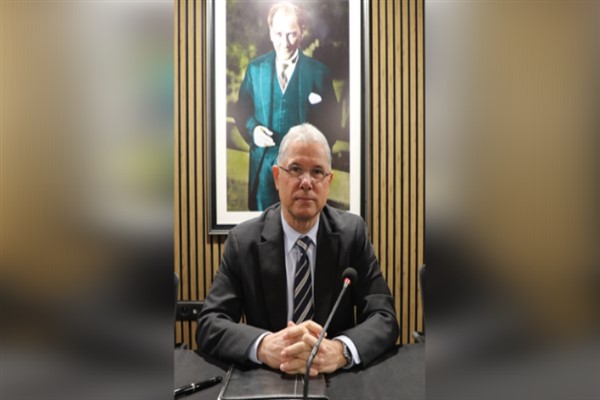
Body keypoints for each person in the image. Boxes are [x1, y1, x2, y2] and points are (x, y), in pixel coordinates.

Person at [196, 123, 398, 376]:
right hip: (267, 378)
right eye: (295, 169)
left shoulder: (352, 234)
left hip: (335, 380)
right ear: (276, 177)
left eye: (317, 172)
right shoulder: (243, 241)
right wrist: (263, 346)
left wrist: (340, 350)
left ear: (329, 181)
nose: (306, 182)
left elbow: (384, 316)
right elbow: (210, 323)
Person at [234, 1, 341, 211]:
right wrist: (253, 130)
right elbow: (241, 110)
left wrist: (312, 159)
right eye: (278, 34)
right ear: (270, 33)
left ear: (302, 32)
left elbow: (333, 124)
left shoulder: (319, 73)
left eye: (291, 34)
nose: (284, 42)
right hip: (263, 170)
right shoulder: (255, 69)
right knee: (263, 226)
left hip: (304, 176)